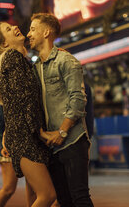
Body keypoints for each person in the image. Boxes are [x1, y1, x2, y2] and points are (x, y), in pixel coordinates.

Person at [0, 22, 56, 207]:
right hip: (25, 137)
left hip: (23, 135)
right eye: (8, 29)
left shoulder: (17, 60)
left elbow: (15, 103)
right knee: (47, 195)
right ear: (4, 44)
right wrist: (40, 131)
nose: (15, 27)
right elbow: (25, 100)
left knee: (34, 197)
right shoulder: (12, 58)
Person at [27, 13, 94, 207]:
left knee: (80, 197)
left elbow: (79, 99)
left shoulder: (66, 61)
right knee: (64, 200)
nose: (28, 34)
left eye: (33, 29)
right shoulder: (35, 68)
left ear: (46, 32)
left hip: (72, 140)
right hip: (51, 145)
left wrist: (62, 131)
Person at [0, 101, 36, 207]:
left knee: (33, 189)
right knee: (8, 189)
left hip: (28, 145)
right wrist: (2, 146)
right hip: (8, 148)